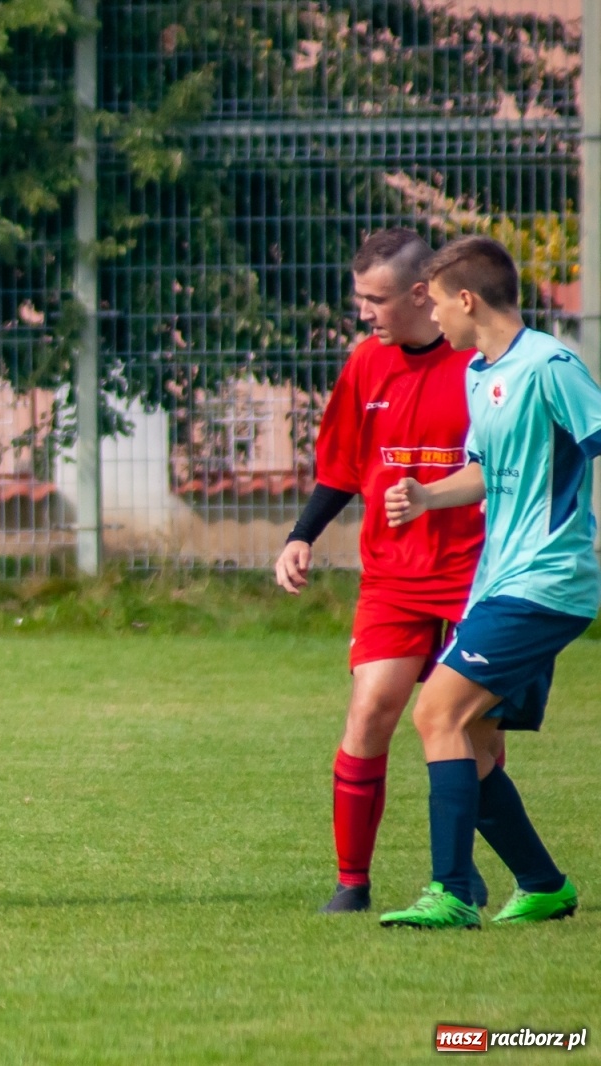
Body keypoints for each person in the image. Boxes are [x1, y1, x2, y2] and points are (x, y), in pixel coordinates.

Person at [379, 235, 600, 929]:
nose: (434, 317)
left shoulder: (552, 365)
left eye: (438, 302)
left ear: (467, 299)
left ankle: (452, 890)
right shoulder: (480, 372)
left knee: (435, 713)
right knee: (470, 741)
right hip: (498, 579)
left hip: (546, 579)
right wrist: (425, 498)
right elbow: (487, 471)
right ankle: (542, 883)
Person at [274, 228, 484, 914]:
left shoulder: (483, 364)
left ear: (422, 294)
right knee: (369, 712)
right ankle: (352, 883)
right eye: (360, 297)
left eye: (376, 299)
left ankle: (464, 878)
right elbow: (339, 466)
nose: (365, 312)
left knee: (471, 737)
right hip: (393, 576)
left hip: (474, 574)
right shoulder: (366, 363)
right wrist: (301, 536)